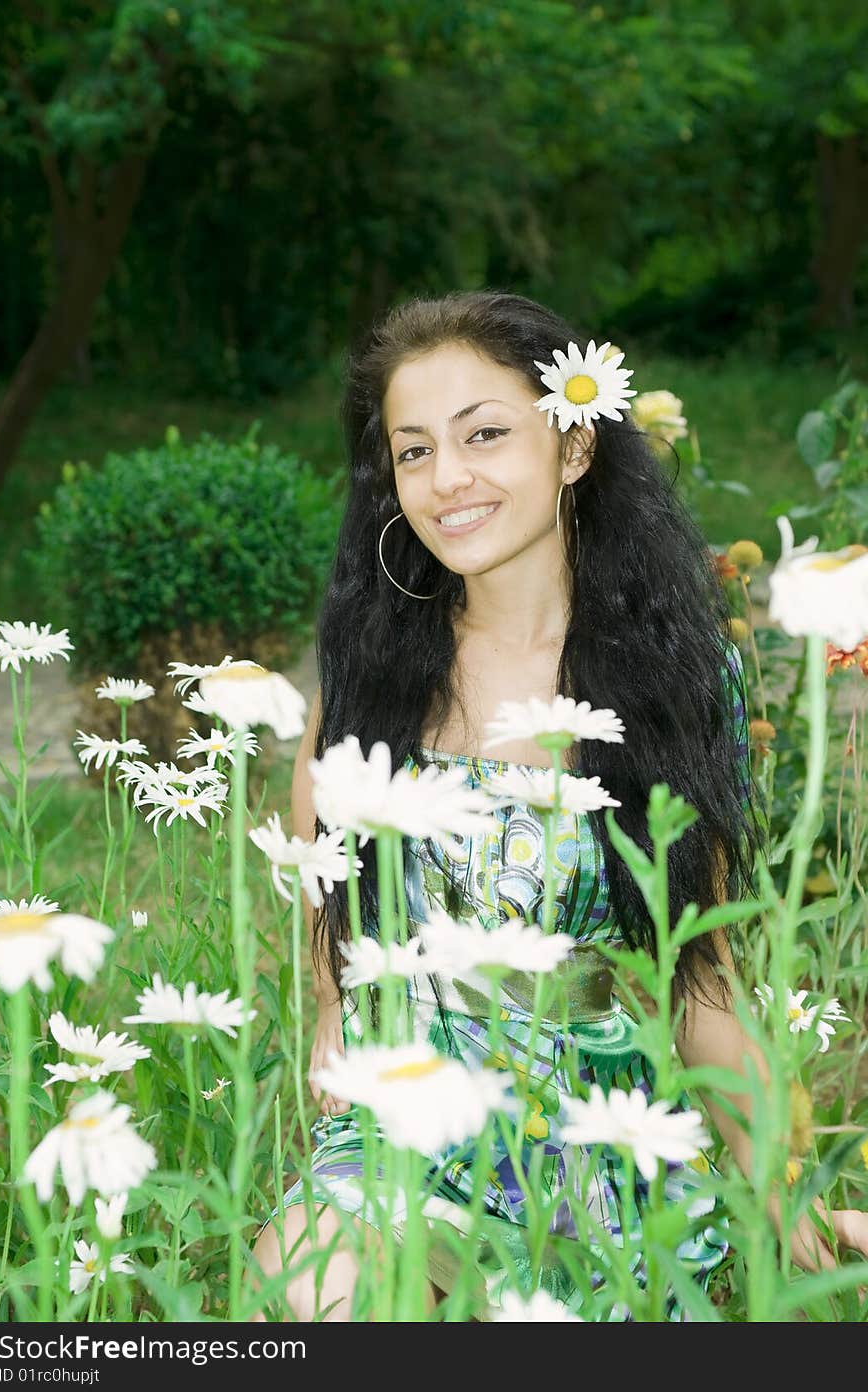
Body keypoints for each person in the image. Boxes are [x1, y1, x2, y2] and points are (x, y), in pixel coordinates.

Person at [249, 290, 867, 1321]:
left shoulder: (672, 682)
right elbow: (325, 888)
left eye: (484, 434)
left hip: (591, 1141)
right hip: (406, 1124)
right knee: (312, 1281)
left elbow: (696, 978)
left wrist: (785, 1195)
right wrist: (328, 1020)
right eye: (412, 452)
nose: (447, 480)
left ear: (573, 446)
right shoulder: (368, 672)